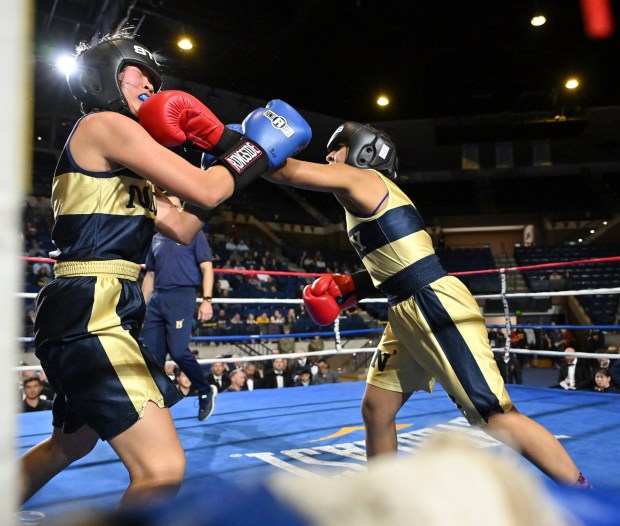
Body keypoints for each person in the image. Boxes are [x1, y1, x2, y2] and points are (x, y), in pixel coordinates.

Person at [22, 31, 311, 509]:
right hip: (92, 308)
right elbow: (208, 189)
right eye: (139, 77)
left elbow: (180, 224)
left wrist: (217, 161)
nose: (151, 89)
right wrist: (252, 150)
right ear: (106, 79)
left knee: (69, 445)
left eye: (156, 82)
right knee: (161, 469)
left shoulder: (124, 164)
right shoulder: (102, 125)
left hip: (94, 304)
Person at [263, 121, 592, 488]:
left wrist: (235, 148)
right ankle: (387, 500)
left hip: (433, 303)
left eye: (336, 148)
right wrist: (351, 287)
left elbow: (288, 171)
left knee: (494, 415)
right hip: (404, 310)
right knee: (376, 410)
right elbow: (396, 263)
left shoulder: (364, 180)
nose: (328, 156)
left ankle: (585, 496)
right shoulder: (362, 199)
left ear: (363, 152)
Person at [141, 208, 218, 422]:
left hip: (182, 295)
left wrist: (207, 300)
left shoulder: (193, 233)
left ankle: (204, 390)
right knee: (152, 356)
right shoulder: (155, 237)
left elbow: (207, 268)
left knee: (178, 350)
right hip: (158, 298)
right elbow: (150, 275)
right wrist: (140, 307)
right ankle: (158, 406)